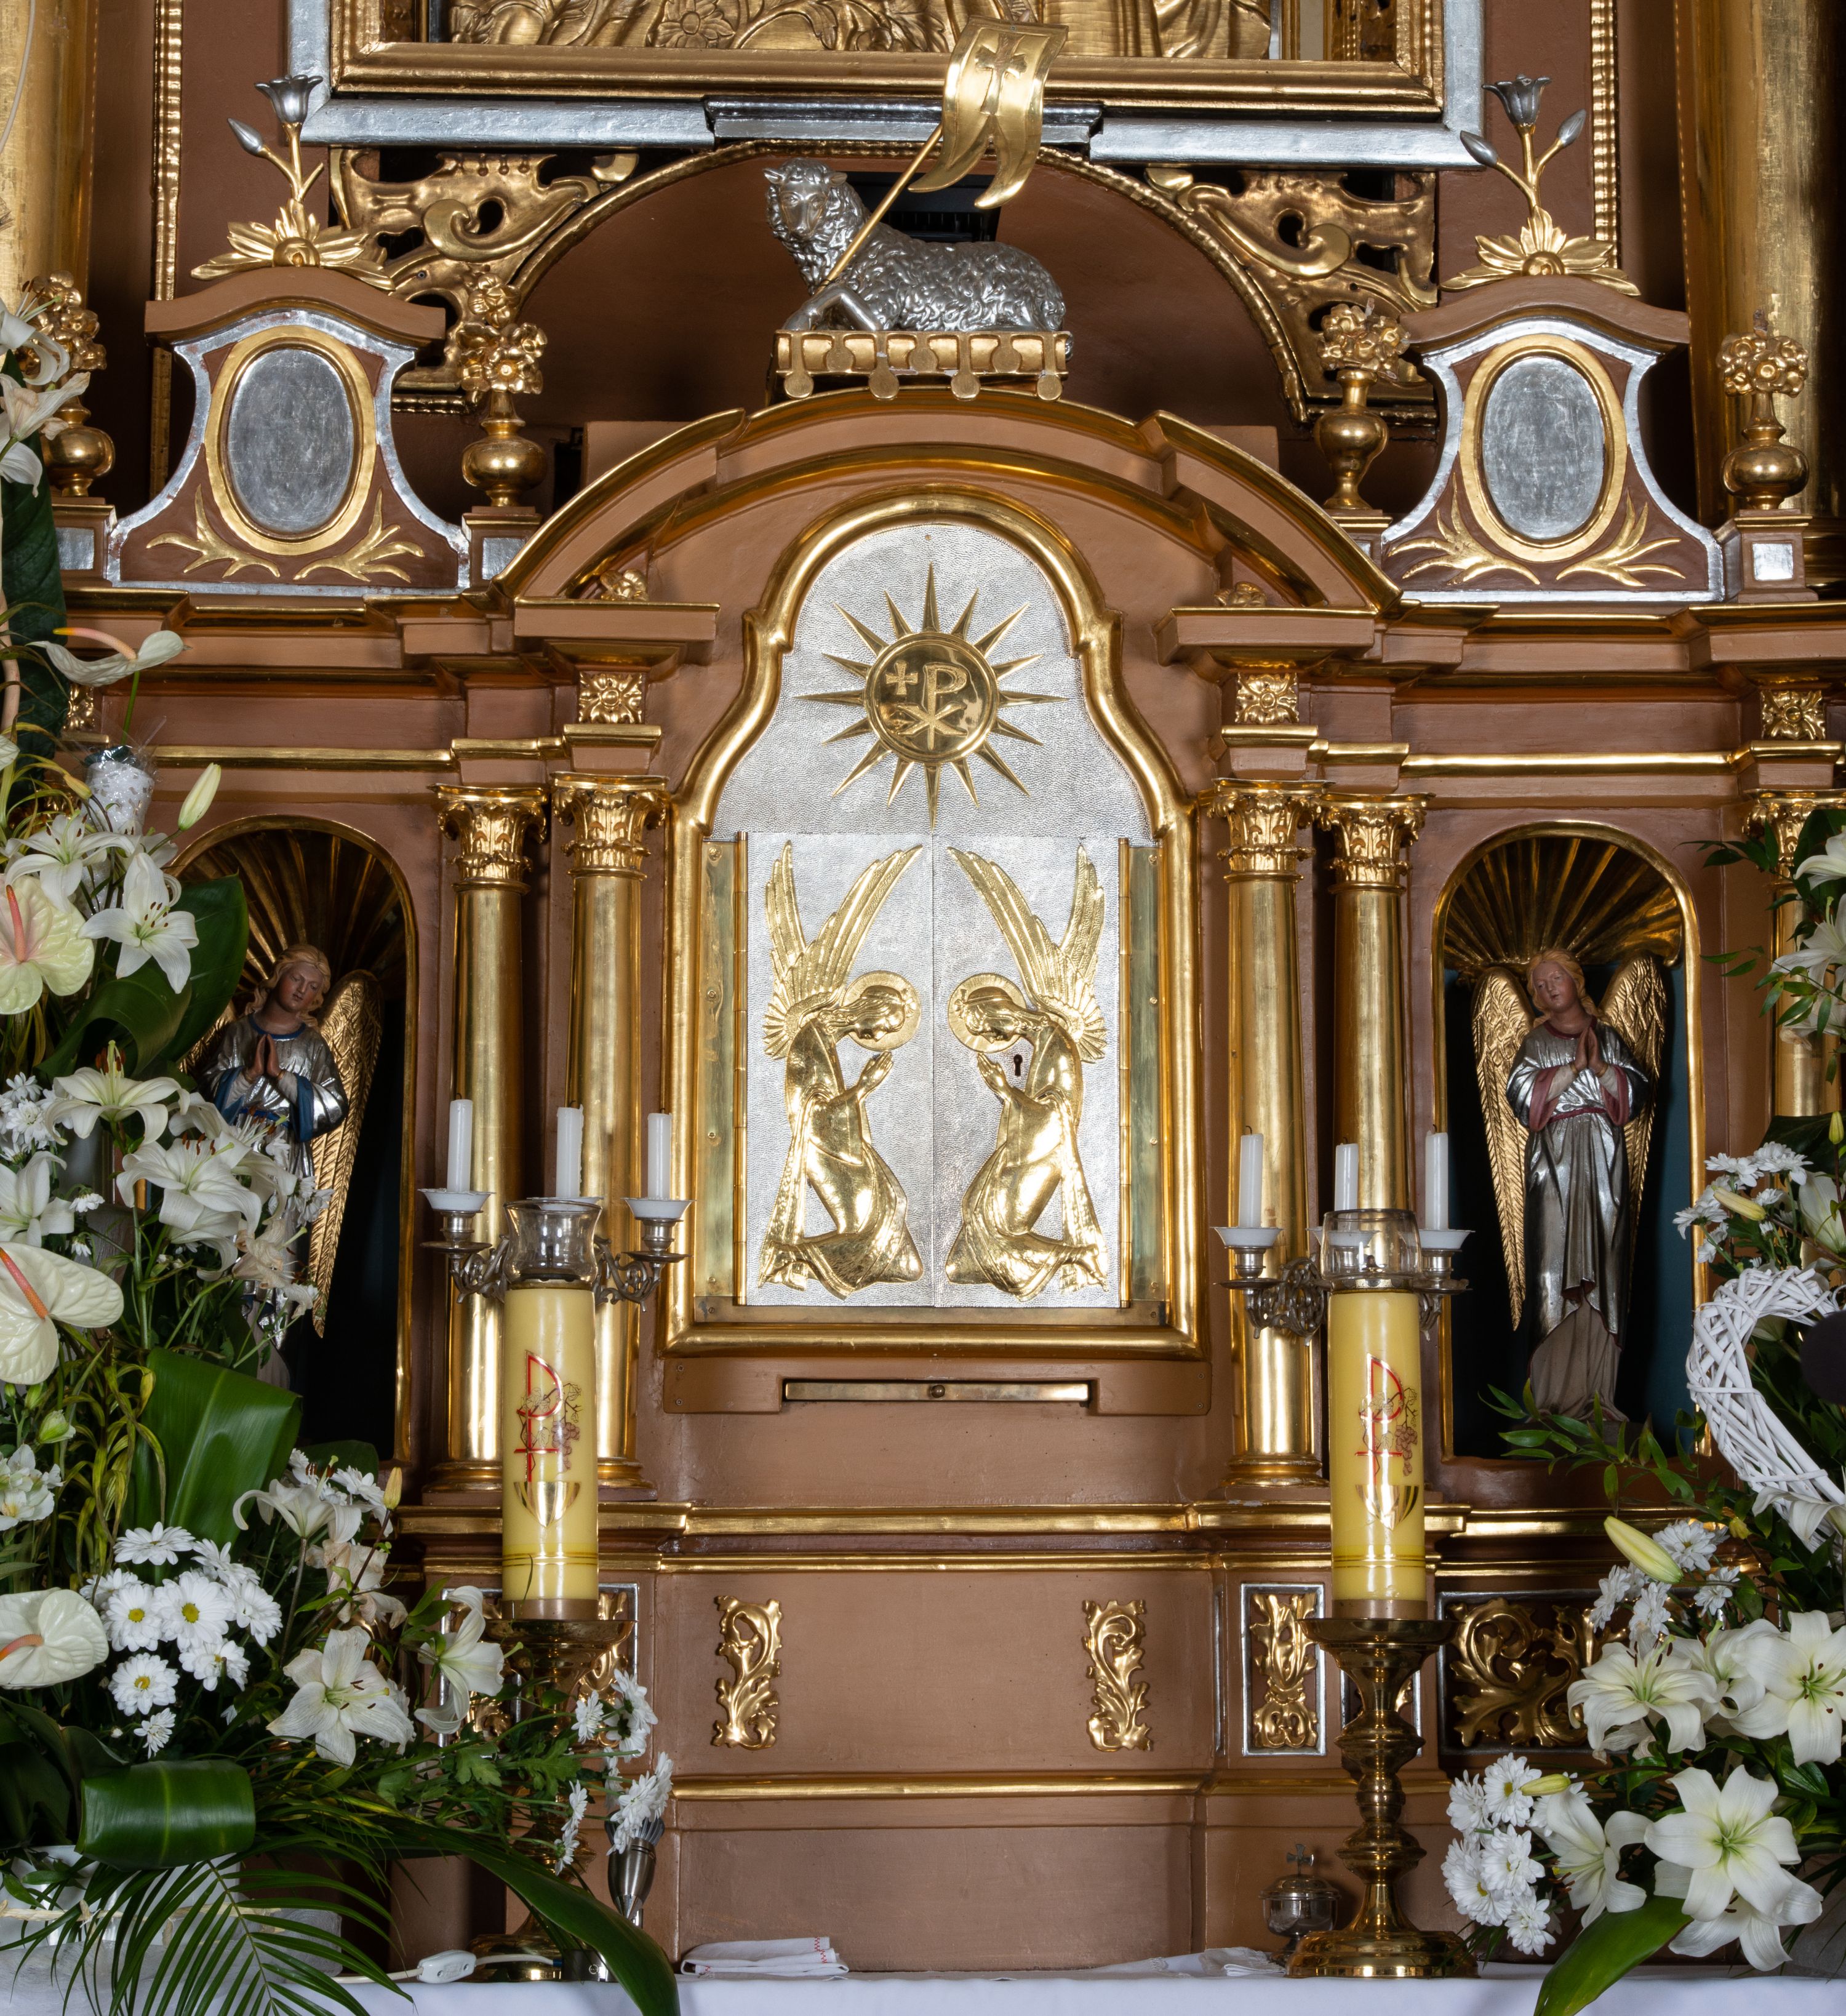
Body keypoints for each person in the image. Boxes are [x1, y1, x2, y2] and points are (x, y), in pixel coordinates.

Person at [1504, 949, 1652, 1420]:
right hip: (1553, 1160)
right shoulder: (1535, 1042)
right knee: (1552, 1264)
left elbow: (1637, 1093)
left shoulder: (1607, 1037)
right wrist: (1572, 1069)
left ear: (1576, 979)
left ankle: (1597, 1396)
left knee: (1604, 1266)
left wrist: (1602, 1068)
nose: (1549, 988)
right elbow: (1520, 1096)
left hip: (1604, 1157)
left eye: (1556, 978)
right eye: (1540, 985)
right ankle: (1552, 1400)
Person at [760, 979, 922, 1297]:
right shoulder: (811, 1039)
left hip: (844, 1145)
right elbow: (812, 1115)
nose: (879, 1036)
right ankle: (788, 1257)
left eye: (888, 1031)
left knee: (905, 1258)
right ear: (870, 1009)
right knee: (867, 1232)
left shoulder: (825, 1038)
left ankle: (795, 1260)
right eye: (882, 1025)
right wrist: (862, 1088)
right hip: (825, 1150)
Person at [197, 943, 350, 1191]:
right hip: (235, 1142)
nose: (302, 990)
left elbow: (335, 1105)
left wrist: (281, 1077)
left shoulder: (313, 1045)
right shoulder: (240, 1032)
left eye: (313, 987)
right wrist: (248, 1075)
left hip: (284, 1152)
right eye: (296, 979)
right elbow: (206, 1090)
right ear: (278, 976)